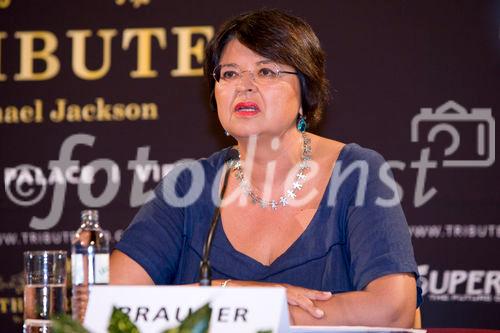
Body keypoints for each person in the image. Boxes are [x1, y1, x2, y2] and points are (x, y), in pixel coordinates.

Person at [110, 9, 422, 327]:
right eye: (229, 74)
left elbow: (393, 310)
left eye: (267, 72)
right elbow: (111, 303)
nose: (244, 86)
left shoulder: (357, 172)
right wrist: (233, 294)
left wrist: (251, 314)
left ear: (305, 91)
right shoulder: (189, 186)